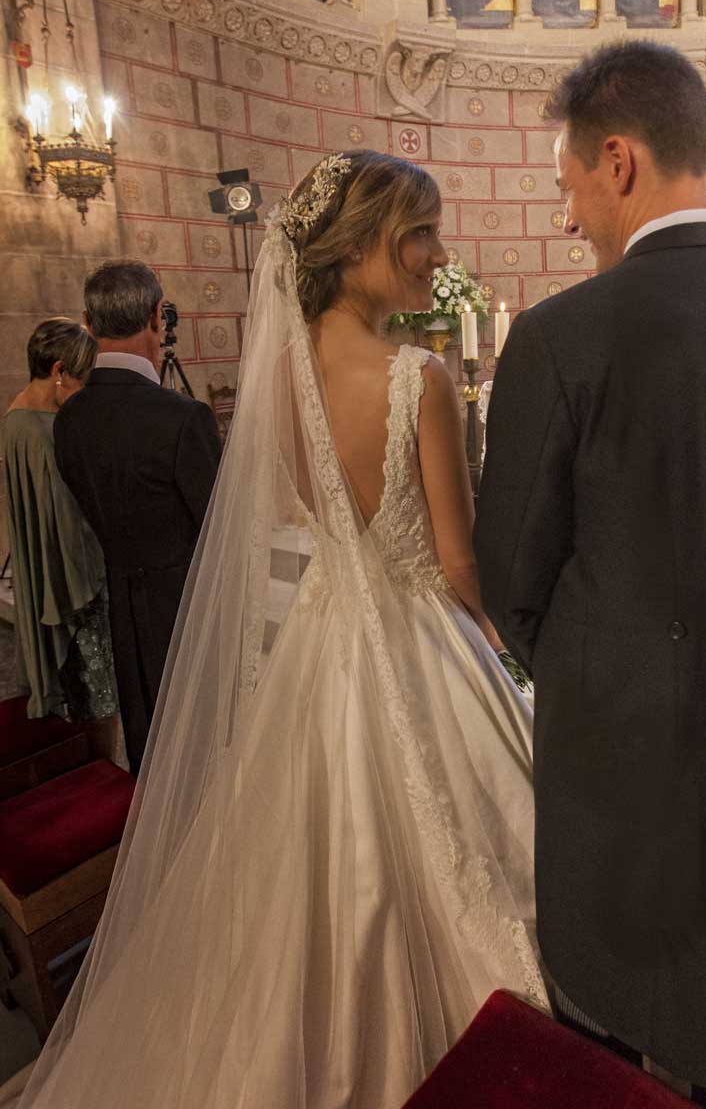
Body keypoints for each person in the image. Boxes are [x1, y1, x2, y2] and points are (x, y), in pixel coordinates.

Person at [17, 152, 546, 1109]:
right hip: (416, 637)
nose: (439, 254)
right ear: (360, 247)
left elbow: (289, 523)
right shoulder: (416, 377)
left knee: (291, 880)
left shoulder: (278, 381)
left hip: (314, 647)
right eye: (421, 233)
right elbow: (456, 561)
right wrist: (499, 639)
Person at [475, 40, 706, 1108]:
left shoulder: (557, 335)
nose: (567, 216)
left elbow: (509, 568)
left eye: (567, 184)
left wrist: (586, 660)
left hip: (607, 726)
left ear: (616, 161)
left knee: (605, 1010)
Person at [54, 261, 221, 775]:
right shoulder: (183, 417)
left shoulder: (69, 418)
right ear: (157, 315)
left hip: (122, 609)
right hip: (190, 611)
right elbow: (220, 525)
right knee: (206, 750)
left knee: (150, 747)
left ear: (88, 323)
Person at [3, 318, 119, 751]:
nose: (85, 391)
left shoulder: (17, 416)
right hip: (76, 586)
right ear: (58, 371)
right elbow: (70, 524)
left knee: (80, 699)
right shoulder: (41, 433)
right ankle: (104, 777)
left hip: (52, 575)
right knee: (99, 701)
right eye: (82, 379)